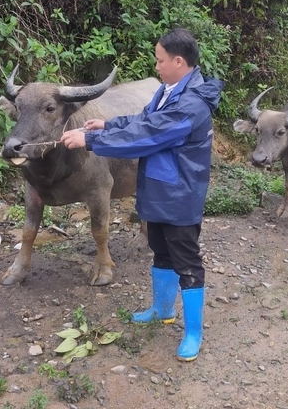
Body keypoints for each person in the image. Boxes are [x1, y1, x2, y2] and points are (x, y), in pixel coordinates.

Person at [61, 27, 223, 361]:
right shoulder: (168, 90)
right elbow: (143, 120)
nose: (157, 66)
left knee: (187, 261)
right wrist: (108, 125)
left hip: (180, 194)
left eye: (160, 60)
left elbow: (149, 135)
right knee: (160, 251)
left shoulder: (191, 104)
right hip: (159, 188)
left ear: (179, 61)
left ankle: (193, 332)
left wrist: (90, 142)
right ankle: (162, 311)